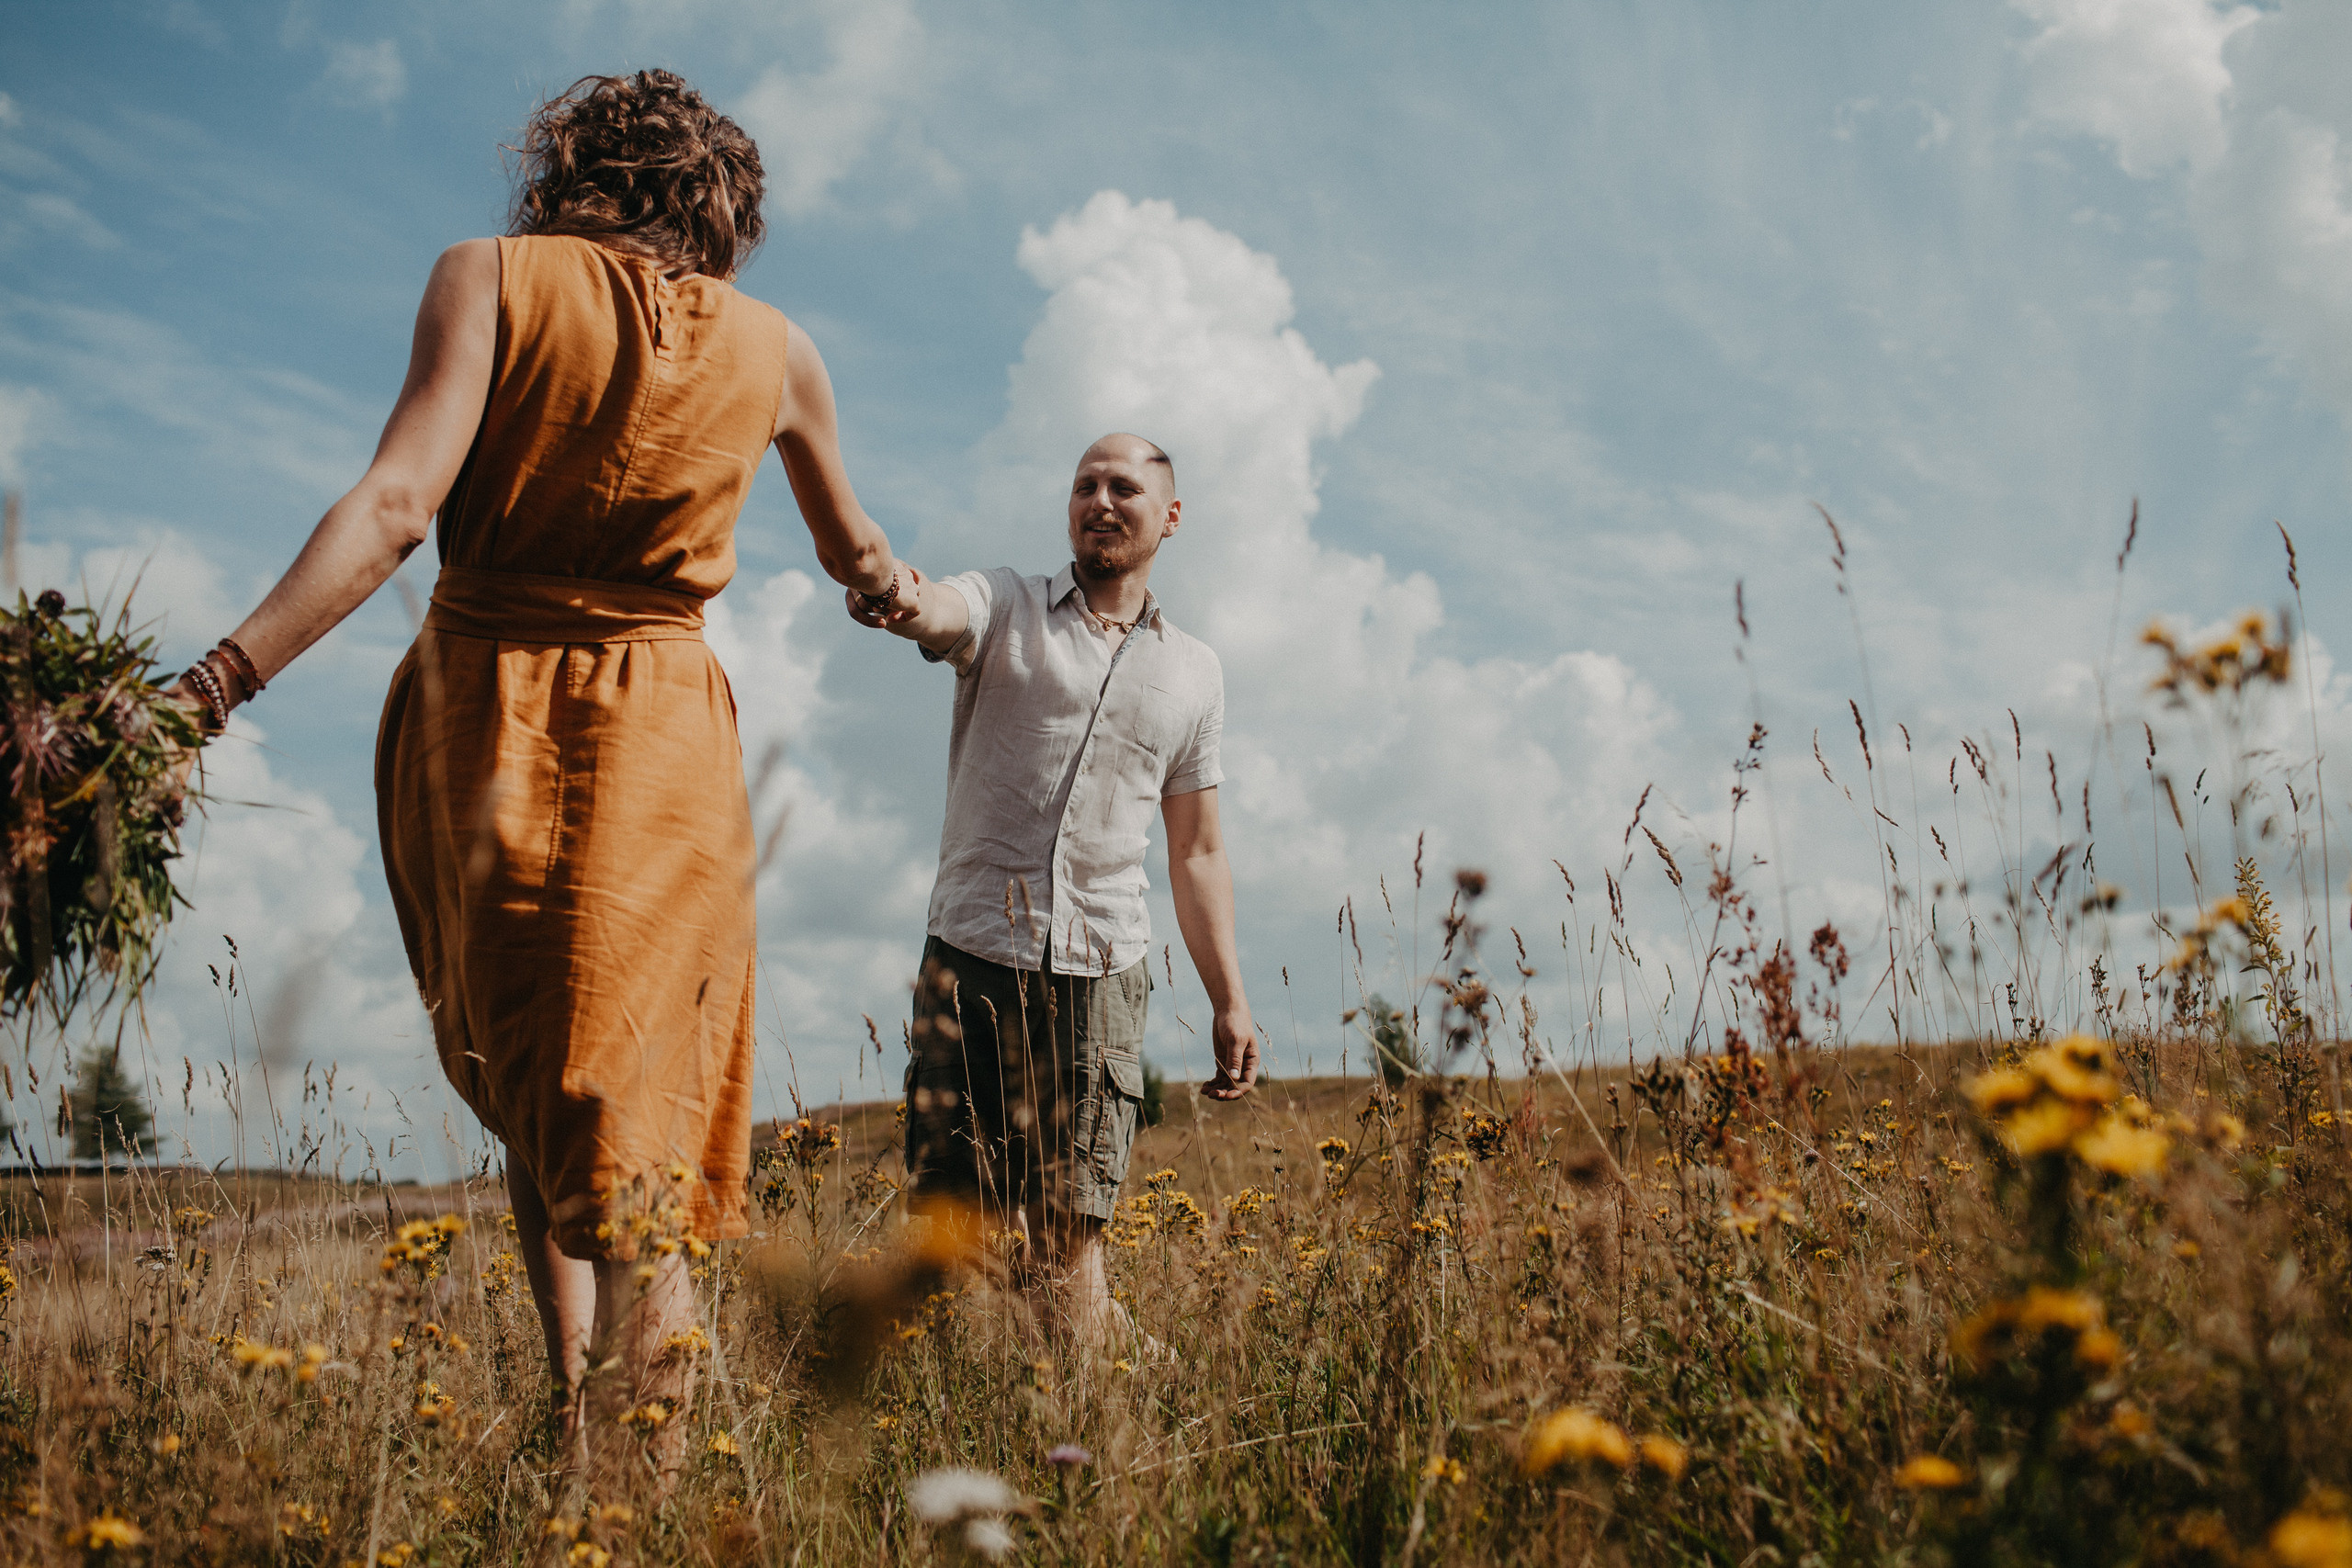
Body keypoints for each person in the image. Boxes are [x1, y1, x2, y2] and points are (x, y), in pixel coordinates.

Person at [164, 71, 911, 1478]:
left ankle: (615, 1482)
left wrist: (213, 684)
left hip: (486, 705)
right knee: (623, 1107)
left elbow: (396, 506)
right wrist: (932, 605)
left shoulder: (490, 276)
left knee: (552, 1080)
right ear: (723, 200)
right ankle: (597, 1443)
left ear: (566, 167)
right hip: (666, 731)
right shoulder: (784, 351)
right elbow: (860, 557)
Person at [850, 432, 1261, 1348]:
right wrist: (890, 591)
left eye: (1123, 487)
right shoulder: (1006, 604)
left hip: (1096, 974)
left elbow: (1194, 850)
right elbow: (934, 608)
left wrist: (1229, 1001)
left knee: (1062, 1249)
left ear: (1170, 517)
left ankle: (1108, 1426)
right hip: (967, 959)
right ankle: (1019, 1426)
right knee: (952, 1237)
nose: (1100, 502)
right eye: (1085, 486)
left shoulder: (1194, 671)